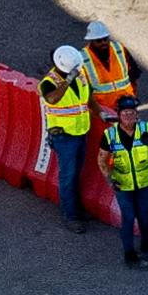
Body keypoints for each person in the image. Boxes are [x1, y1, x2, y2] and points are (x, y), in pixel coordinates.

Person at [38, 45, 95, 229]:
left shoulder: (80, 73)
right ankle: (70, 216)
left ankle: (76, 209)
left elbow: (89, 97)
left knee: (76, 173)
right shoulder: (49, 82)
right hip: (64, 138)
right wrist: (68, 81)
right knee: (68, 176)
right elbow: (52, 99)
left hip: (81, 132)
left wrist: (100, 113)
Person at [101, 96, 148, 267]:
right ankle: (130, 255)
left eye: (132, 112)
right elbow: (102, 160)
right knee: (128, 218)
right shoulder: (110, 135)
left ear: (136, 114)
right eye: (125, 113)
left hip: (146, 182)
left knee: (143, 217)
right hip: (123, 184)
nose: (129, 116)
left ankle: (146, 246)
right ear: (119, 115)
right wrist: (110, 179)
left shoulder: (147, 128)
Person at [80, 21, 136, 115]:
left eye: (105, 39)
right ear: (91, 41)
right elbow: (83, 88)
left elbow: (133, 74)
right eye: (98, 41)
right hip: (101, 110)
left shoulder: (119, 49)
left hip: (126, 105)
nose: (103, 43)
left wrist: (133, 97)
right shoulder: (83, 58)